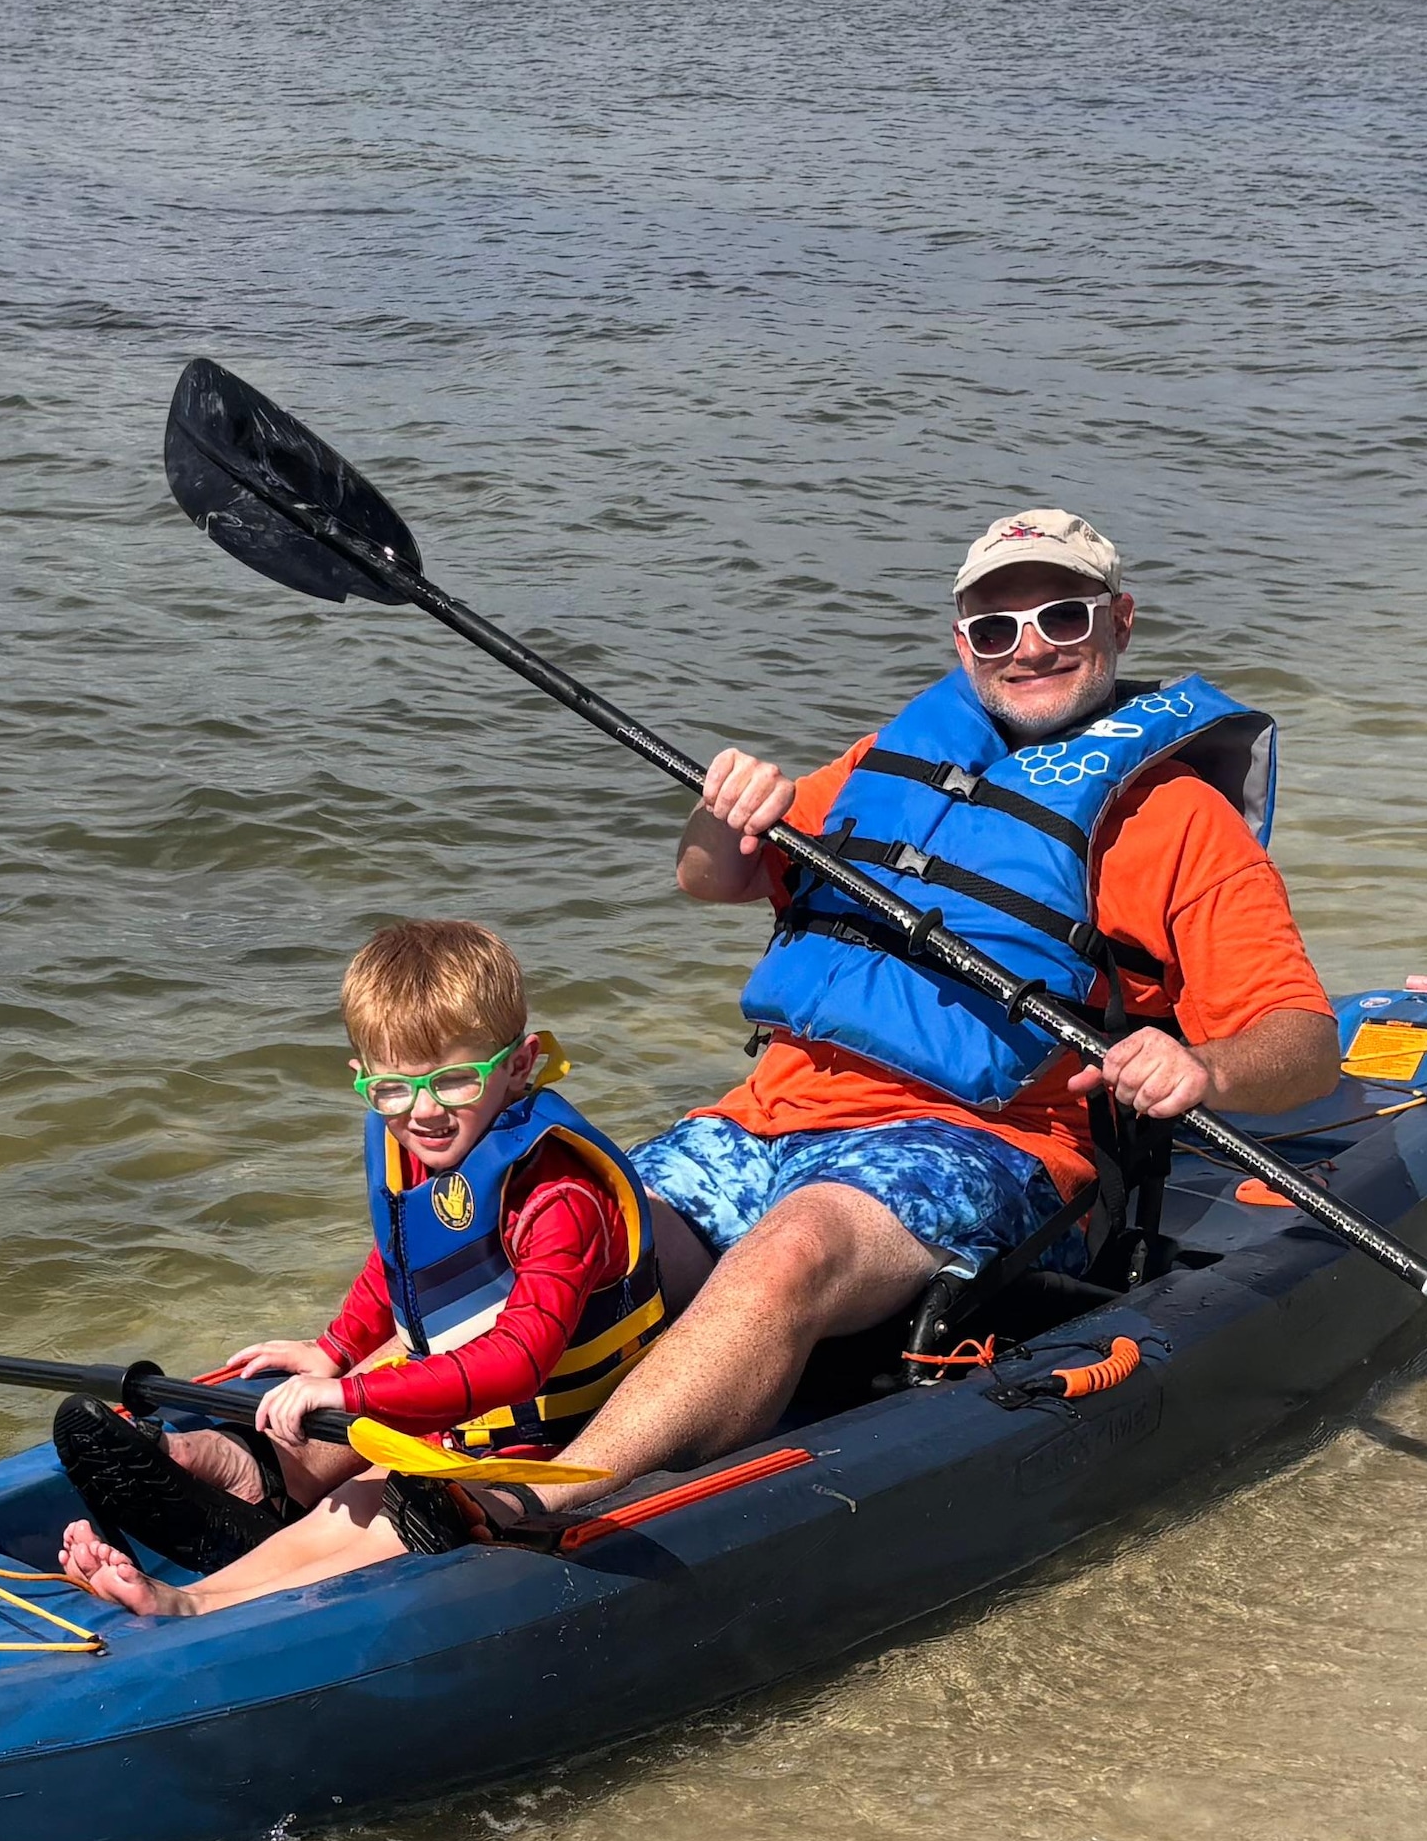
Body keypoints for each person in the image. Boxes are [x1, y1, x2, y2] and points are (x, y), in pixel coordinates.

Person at [519, 504, 1340, 1502]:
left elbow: (1301, 1046)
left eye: (1062, 619)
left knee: (793, 1250)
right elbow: (712, 878)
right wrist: (716, 816)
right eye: (994, 629)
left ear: (1118, 621)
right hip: (766, 1121)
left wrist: (1202, 1067)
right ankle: (315, 1438)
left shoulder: (1181, 820)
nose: (1027, 648)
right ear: (962, 646)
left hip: (988, 1148)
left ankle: (548, 1501)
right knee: (565, 1221)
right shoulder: (891, 760)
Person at [51, 917, 678, 1618]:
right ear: (363, 1080)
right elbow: (403, 1265)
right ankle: (196, 1587)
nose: (425, 1111)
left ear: (519, 1064)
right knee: (353, 1499)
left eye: (455, 1083)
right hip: (467, 1420)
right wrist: (336, 1350)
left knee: (382, 1505)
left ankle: (193, 1606)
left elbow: (521, 1361)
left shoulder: (559, 1197)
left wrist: (351, 1395)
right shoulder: (417, 1143)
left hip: (555, 1433)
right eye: (393, 1090)